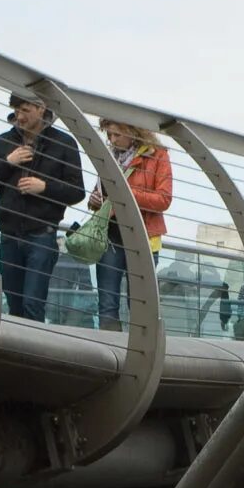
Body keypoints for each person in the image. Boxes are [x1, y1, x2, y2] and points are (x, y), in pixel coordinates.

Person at [0, 89, 86, 321]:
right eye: (16, 111)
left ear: (42, 109)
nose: (20, 116)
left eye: (25, 110)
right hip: (8, 235)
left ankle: (31, 354)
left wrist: (44, 187)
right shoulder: (3, 142)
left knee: (33, 304)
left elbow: (77, 191)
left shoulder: (64, 143)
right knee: (14, 304)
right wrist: (7, 162)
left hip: (42, 235)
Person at [83, 120, 174, 331]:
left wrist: (127, 194)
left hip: (143, 237)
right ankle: (110, 353)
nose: (112, 141)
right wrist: (95, 201)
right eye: (109, 136)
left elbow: (164, 199)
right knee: (107, 303)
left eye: (117, 135)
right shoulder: (108, 157)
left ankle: (142, 353)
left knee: (140, 303)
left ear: (134, 132)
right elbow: (103, 195)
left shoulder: (158, 155)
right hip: (110, 234)